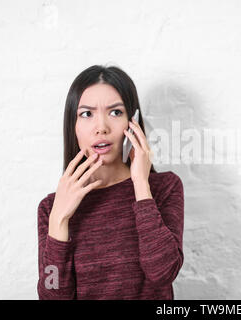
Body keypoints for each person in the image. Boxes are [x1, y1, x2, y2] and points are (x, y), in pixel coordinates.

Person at [36, 65, 184, 299]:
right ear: (73, 126)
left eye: (115, 112)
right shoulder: (50, 208)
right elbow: (53, 294)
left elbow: (163, 272)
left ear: (132, 122)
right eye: (87, 114)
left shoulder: (164, 188)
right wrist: (59, 220)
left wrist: (141, 185)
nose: (101, 128)